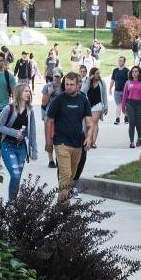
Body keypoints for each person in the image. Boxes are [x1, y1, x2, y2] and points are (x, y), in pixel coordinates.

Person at [44, 71, 96, 202]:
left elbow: (90, 123)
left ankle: (62, 202)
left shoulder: (83, 100)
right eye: (66, 84)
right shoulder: (58, 100)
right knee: (65, 174)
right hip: (61, 142)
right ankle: (63, 206)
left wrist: (89, 138)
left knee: (71, 176)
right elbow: (49, 121)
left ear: (78, 85)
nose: (68, 87)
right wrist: (48, 141)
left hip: (77, 143)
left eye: (71, 84)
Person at [0, 83, 39, 200]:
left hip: (21, 148)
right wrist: (15, 133)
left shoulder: (30, 110)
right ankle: (11, 204)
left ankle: (14, 205)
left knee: (18, 177)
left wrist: (34, 151)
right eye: (25, 91)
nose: (28, 93)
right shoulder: (8, 108)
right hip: (7, 146)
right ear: (19, 93)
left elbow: (32, 132)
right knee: (15, 175)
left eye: (29, 91)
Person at [122, 66, 141, 148]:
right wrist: (123, 106)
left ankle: (139, 137)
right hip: (130, 104)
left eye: (136, 71)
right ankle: (131, 142)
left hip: (139, 105)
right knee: (131, 123)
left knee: (138, 123)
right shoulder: (128, 83)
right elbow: (125, 95)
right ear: (131, 73)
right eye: (133, 72)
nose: (134, 73)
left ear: (139, 73)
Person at [110, 56, 130, 125]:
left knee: (126, 105)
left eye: (121, 61)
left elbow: (129, 81)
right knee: (119, 105)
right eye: (119, 60)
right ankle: (117, 118)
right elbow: (112, 80)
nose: (120, 62)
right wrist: (110, 88)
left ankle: (126, 117)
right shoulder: (115, 70)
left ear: (124, 62)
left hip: (125, 91)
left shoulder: (127, 70)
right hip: (117, 91)